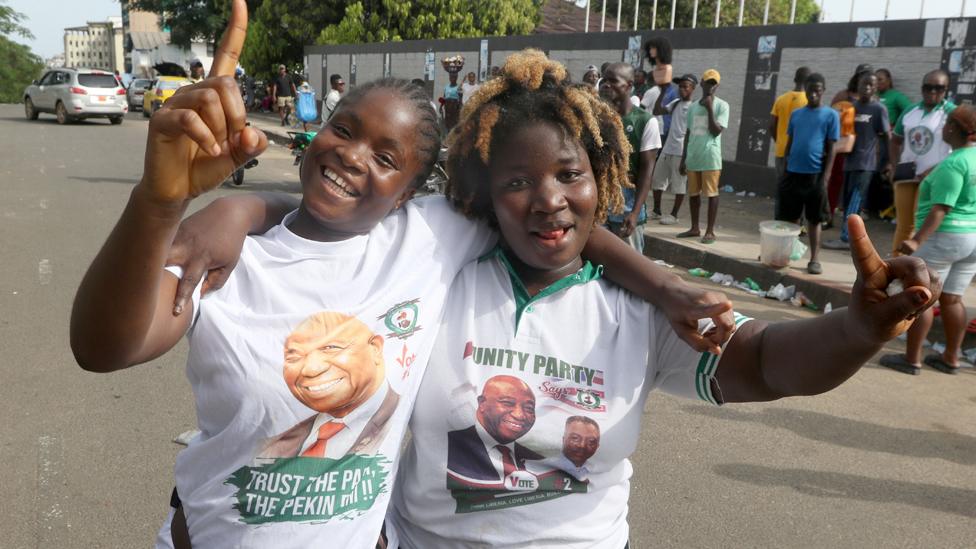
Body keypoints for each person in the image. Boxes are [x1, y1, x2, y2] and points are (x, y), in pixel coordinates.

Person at [71, 7, 734, 546]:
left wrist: (662, 284)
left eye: (386, 157)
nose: (352, 157)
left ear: (413, 193)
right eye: (342, 129)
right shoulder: (237, 254)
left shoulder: (430, 235)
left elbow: (564, 224)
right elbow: (103, 347)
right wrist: (166, 203)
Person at [386, 50, 939, 549]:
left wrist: (857, 329)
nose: (549, 199)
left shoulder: (642, 305)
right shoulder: (441, 277)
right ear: (486, 193)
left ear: (600, 178)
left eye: (569, 174)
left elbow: (767, 362)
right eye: (517, 183)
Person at [880, 105, 976, 375]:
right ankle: (951, 358)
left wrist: (915, 241)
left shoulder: (955, 163)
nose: (943, 128)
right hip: (972, 238)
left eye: (947, 124)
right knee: (953, 300)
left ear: (955, 129)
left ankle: (912, 359)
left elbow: (940, 208)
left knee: (922, 300)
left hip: (944, 238)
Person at [259, 312, 398, 459]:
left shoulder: (399, 416)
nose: (310, 369)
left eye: (330, 347)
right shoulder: (268, 447)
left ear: (375, 348)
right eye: (295, 356)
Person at [886, 69, 955, 256]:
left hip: (934, 179)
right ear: (922, 88)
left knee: (921, 226)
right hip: (907, 176)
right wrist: (893, 165)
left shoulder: (952, 113)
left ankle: (914, 271)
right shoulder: (910, 111)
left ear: (946, 89)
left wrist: (935, 169)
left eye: (939, 88)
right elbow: (895, 140)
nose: (933, 92)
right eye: (928, 87)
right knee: (903, 225)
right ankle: (895, 266)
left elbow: (960, 148)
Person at [777, 73, 839, 275]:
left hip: (815, 175)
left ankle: (814, 259)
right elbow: (789, 144)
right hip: (793, 172)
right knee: (789, 219)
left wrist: (826, 176)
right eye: (810, 89)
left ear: (823, 91)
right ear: (806, 89)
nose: (813, 94)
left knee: (814, 220)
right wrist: (785, 169)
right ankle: (784, 254)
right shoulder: (796, 114)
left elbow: (831, 149)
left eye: (817, 90)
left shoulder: (830, 115)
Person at [824, 73, 890, 250]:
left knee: (855, 201)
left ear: (875, 88)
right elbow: (843, 134)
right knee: (846, 201)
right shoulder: (851, 108)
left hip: (866, 163)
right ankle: (847, 236)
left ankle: (847, 239)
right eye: (864, 84)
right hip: (849, 162)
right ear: (857, 86)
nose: (867, 88)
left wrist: (887, 162)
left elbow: (886, 137)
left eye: (871, 85)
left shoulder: (879, 109)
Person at [600, 62, 661, 251]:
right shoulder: (598, 118)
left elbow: (646, 172)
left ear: (628, 85)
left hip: (628, 200)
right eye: (604, 80)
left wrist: (634, 213)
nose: (606, 85)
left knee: (629, 263)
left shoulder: (645, 122)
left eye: (613, 81)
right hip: (601, 199)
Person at [446, 375, 543, 485]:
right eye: (507, 403)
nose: (519, 415)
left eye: (529, 408)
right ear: (482, 403)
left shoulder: (536, 460)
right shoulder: (447, 445)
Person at [678, 69, 728, 245]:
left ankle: (710, 231)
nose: (711, 87)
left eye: (714, 84)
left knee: (712, 194)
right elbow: (689, 133)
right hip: (693, 157)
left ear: (717, 86)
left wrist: (709, 108)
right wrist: (683, 158)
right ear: (702, 83)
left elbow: (716, 131)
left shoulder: (722, 106)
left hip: (710, 158)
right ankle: (694, 227)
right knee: (693, 194)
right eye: (708, 83)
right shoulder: (692, 107)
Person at [651, 73, 697, 225]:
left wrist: (686, 158)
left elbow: (692, 134)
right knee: (658, 180)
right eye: (680, 86)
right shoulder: (676, 102)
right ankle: (657, 210)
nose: (682, 89)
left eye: (686, 86)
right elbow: (657, 111)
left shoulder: (694, 108)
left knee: (679, 185)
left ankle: (674, 215)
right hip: (667, 149)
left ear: (693, 89)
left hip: (680, 152)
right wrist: (663, 92)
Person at [770, 67, 811, 179]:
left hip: (781, 151)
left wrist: (778, 141)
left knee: (781, 186)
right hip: (798, 153)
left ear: (794, 79)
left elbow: (772, 125)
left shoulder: (780, 99)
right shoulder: (808, 102)